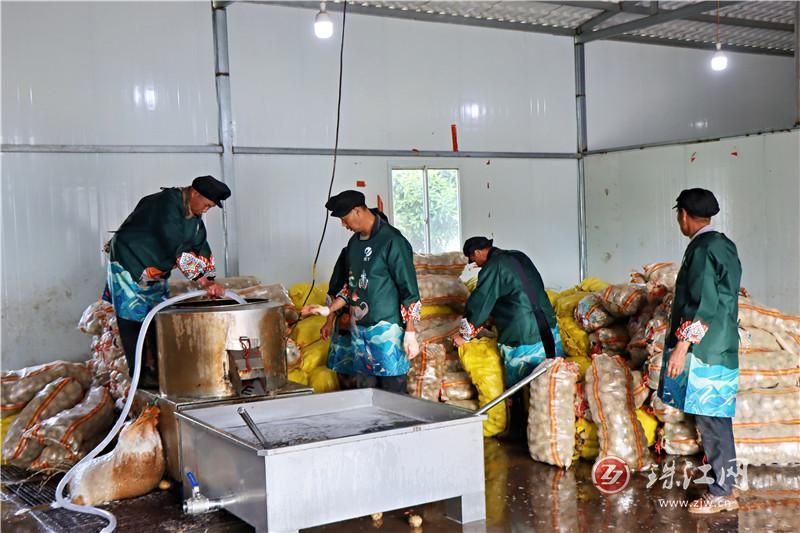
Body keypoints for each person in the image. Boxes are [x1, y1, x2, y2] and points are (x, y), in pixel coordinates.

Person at [658, 188, 742, 514]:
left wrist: (681, 347)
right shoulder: (724, 244)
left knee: (712, 422)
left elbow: (702, 306)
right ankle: (725, 486)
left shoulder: (702, 249)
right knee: (717, 420)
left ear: (683, 215)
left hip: (705, 351)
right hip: (721, 345)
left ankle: (721, 494)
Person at [104, 175, 230, 377]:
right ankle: (140, 374)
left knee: (157, 313)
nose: (206, 210)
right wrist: (201, 280)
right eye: (206, 205)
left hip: (156, 271)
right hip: (130, 262)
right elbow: (173, 243)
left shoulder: (193, 217)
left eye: (210, 207)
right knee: (133, 315)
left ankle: (159, 370)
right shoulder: (165, 204)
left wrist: (211, 279)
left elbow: (200, 245)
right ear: (194, 192)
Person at [303, 191, 420, 393]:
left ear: (358, 211)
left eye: (344, 219)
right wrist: (328, 311)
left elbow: (409, 290)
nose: (344, 225)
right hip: (360, 335)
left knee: (393, 395)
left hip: (386, 332)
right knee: (366, 393)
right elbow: (351, 287)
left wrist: (410, 331)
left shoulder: (392, 241)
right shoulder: (354, 244)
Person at [453, 237, 563, 386]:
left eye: (473, 261)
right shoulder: (518, 255)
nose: (476, 265)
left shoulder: (493, 267)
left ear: (478, 252)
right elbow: (517, 290)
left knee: (525, 386)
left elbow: (481, 301)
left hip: (523, 333)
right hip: (547, 323)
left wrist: (464, 336)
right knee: (556, 381)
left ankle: (521, 410)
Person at [322, 209, 389, 389]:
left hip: (379, 327)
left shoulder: (391, 251)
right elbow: (335, 290)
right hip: (349, 323)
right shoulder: (350, 253)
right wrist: (329, 321)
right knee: (350, 375)